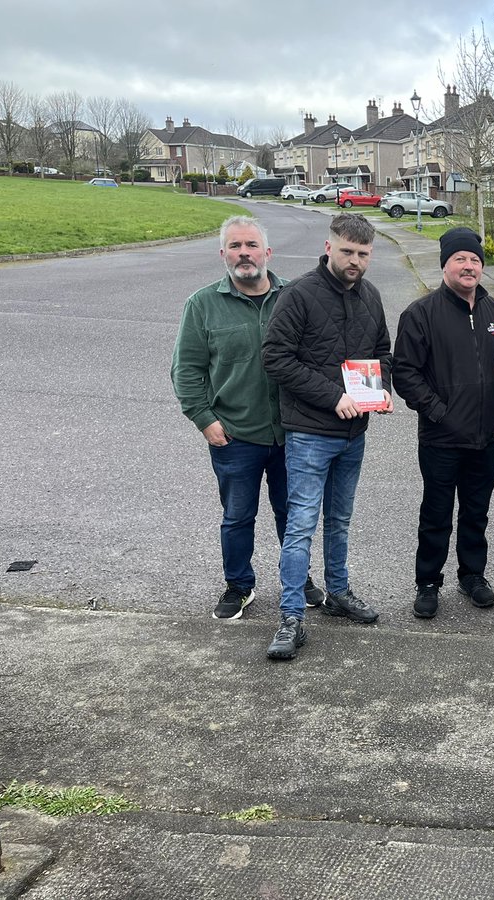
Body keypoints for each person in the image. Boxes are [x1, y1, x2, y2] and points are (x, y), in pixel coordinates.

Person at [171, 215, 324, 620]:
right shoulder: (202, 305)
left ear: (267, 252)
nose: (244, 253)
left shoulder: (297, 296)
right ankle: (239, 585)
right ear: (224, 254)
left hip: (295, 432)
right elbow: (186, 369)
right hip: (236, 434)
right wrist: (204, 419)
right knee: (238, 516)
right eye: (235, 246)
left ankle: (298, 577)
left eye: (251, 245)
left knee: (295, 515)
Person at [261, 213, 393, 661]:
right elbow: (276, 359)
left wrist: (381, 392)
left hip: (354, 433)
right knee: (301, 525)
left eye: (363, 254)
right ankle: (292, 615)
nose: (354, 261)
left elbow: (382, 355)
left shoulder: (371, 296)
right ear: (329, 246)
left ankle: (338, 592)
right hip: (310, 434)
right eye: (347, 252)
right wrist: (333, 397)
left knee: (339, 520)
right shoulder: (298, 295)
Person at [391, 227, 494, 619]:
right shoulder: (421, 314)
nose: (468, 266)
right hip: (440, 438)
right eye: (460, 259)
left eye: (475, 259)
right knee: (437, 513)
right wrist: (439, 411)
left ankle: (473, 575)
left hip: (484, 438)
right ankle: (428, 582)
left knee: (477, 511)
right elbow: (405, 373)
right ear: (445, 265)